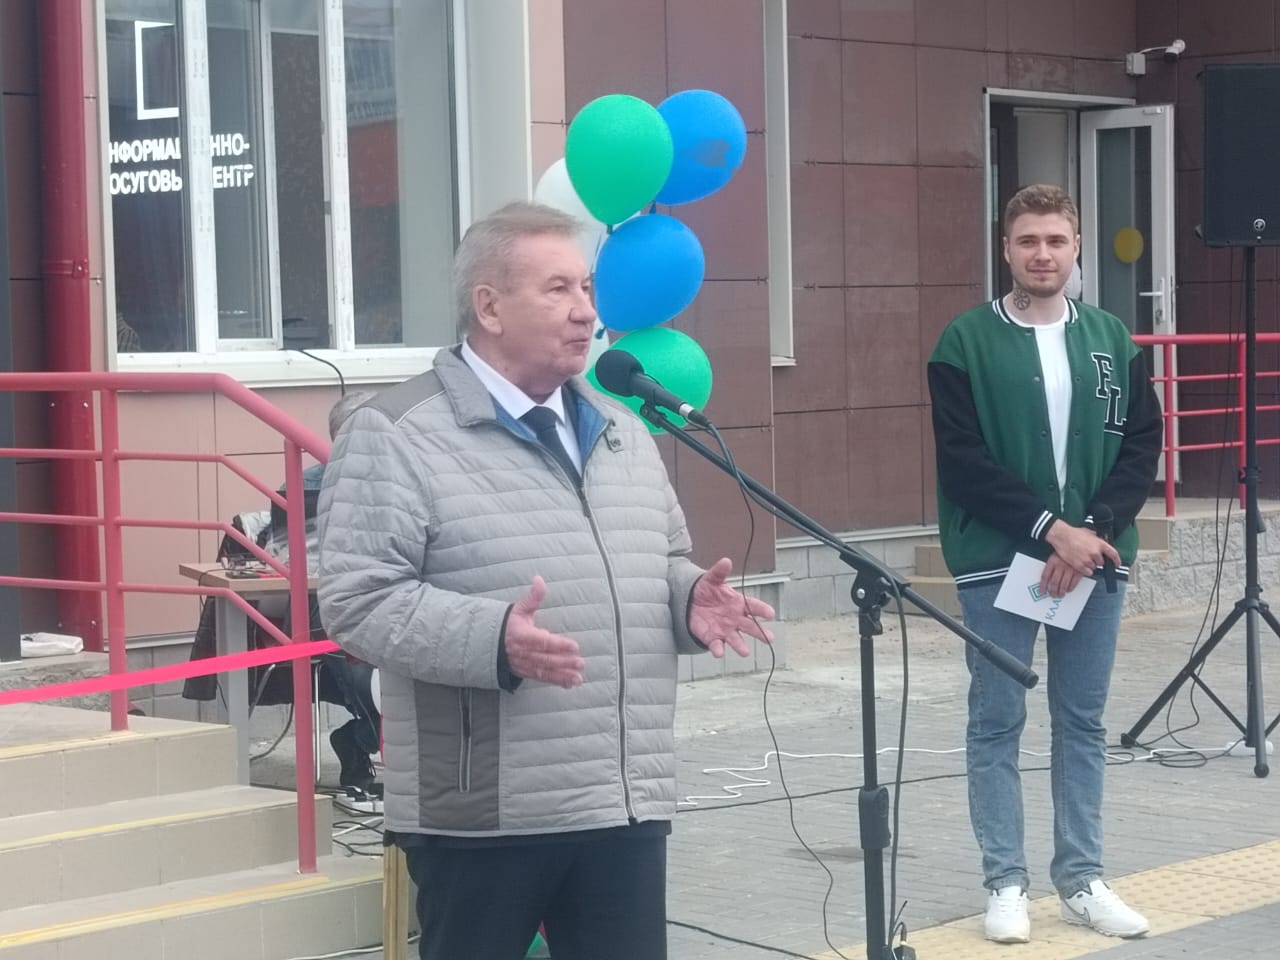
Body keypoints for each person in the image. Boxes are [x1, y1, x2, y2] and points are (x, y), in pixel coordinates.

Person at [315, 201, 775, 960]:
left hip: (621, 796)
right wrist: (494, 638)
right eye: (558, 289)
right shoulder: (397, 432)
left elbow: (660, 557)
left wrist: (687, 595)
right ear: (489, 307)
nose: (586, 311)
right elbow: (357, 601)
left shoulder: (621, 428)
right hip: (483, 809)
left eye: (587, 288)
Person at [927, 184, 1162, 943]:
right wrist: (1050, 532)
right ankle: (1006, 883)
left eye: (1056, 240)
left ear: (1077, 247)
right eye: (1028, 240)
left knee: (1081, 722)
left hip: (1093, 557)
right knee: (997, 720)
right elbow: (962, 461)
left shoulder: (1111, 338)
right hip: (998, 560)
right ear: (1006, 249)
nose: (1042, 254)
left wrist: (1089, 530)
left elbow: (1141, 446)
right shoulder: (964, 341)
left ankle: (1082, 879)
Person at [264, 390, 384, 795]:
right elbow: (285, 554)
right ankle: (362, 738)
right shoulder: (304, 486)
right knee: (370, 675)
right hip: (331, 606)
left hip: (391, 601)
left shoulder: (405, 476)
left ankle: (361, 738)